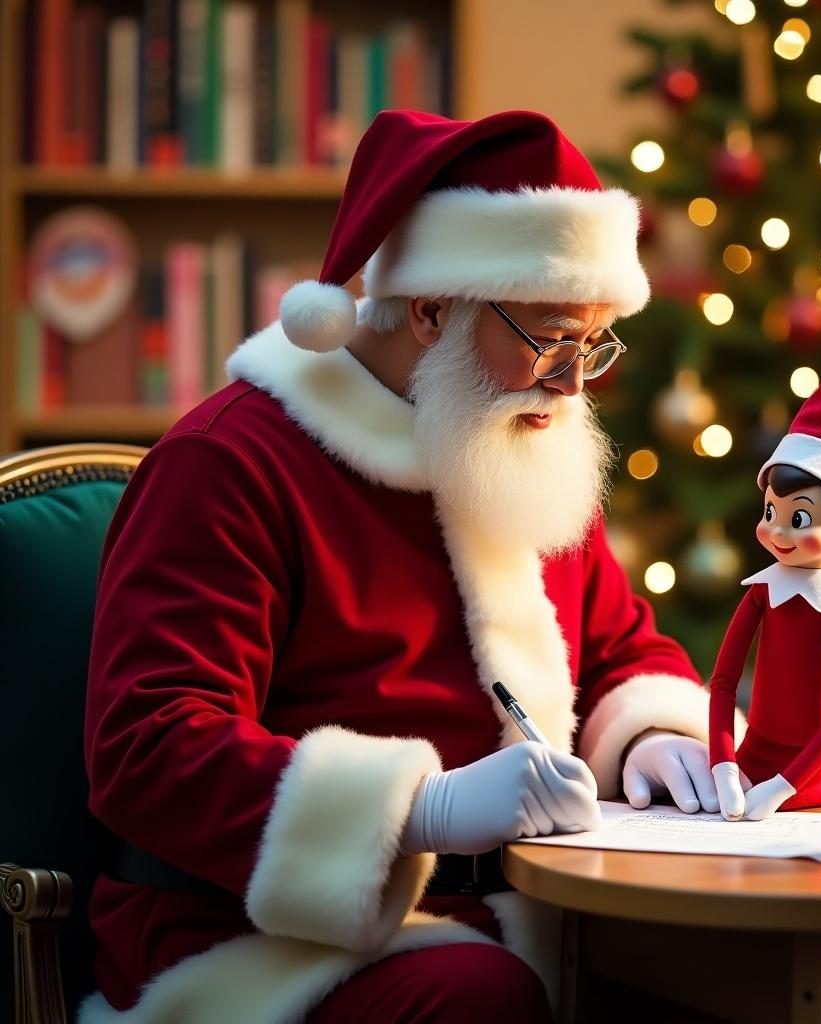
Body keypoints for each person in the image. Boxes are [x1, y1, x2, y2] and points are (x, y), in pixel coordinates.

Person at [81, 109, 740, 1024]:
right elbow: (149, 747)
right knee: (489, 1001)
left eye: (592, 344)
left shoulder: (514, 442)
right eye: (551, 338)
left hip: (525, 906)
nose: (573, 380)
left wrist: (648, 737)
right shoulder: (229, 464)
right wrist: (418, 810)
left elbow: (622, 649)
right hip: (266, 943)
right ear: (430, 310)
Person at [708, 316, 821, 822]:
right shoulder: (762, 592)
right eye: (770, 513)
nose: (776, 533)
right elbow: (722, 681)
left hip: (810, 765)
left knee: (791, 807)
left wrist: (787, 787)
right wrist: (723, 763)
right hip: (753, 748)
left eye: (798, 518)